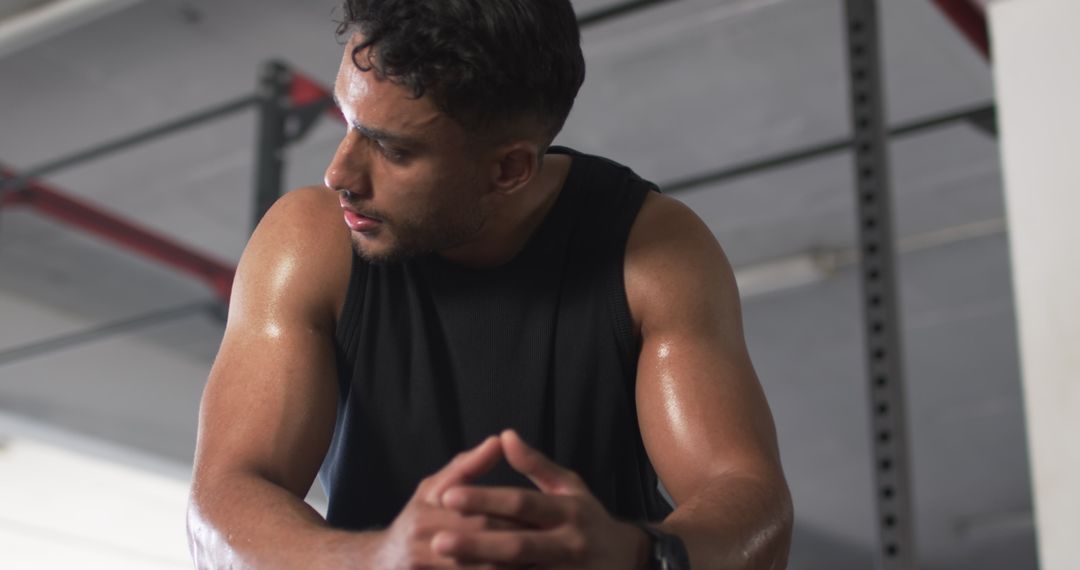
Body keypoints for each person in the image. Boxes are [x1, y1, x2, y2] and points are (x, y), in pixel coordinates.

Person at [186, 1, 793, 568]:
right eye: (350, 123)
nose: (339, 172)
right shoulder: (309, 242)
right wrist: (370, 560)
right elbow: (225, 496)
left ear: (509, 168)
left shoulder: (652, 250)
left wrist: (637, 556)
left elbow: (746, 495)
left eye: (392, 150)